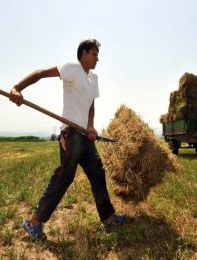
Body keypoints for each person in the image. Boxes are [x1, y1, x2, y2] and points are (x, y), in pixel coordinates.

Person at [9, 39, 126, 241]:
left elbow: (91, 105)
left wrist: (90, 125)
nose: (98, 58)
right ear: (84, 54)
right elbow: (41, 73)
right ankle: (34, 222)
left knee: (98, 173)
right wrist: (17, 87)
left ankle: (108, 218)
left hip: (84, 135)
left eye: (98, 54)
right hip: (71, 133)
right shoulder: (72, 69)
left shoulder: (94, 78)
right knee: (65, 175)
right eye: (94, 54)